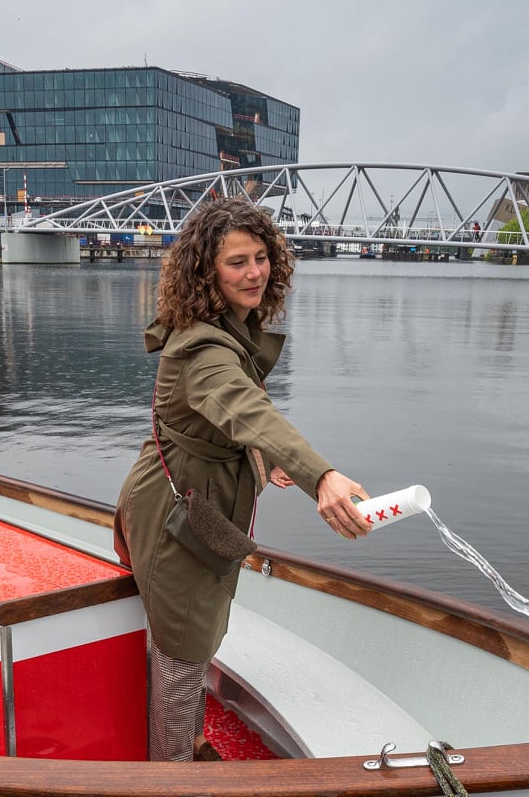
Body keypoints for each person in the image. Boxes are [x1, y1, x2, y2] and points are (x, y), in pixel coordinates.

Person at [115, 198, 370, 761]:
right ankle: (173, 778)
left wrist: (262, 458)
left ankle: (188, 746)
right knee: (183, 647)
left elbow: (230, 422)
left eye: (261, 258)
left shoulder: (225, 326)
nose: (255, 273)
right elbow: (247, 409)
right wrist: (319, 476)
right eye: (237, 262)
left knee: (196, 634)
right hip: (175, 517)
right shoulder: (205, 349)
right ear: (207, 271)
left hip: (191, 502)